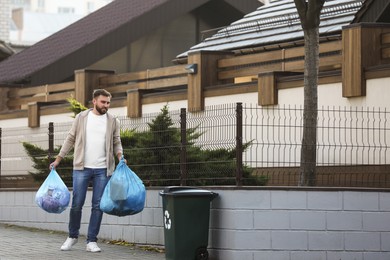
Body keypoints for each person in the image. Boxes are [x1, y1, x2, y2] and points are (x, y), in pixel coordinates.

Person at [50, 89, 124, 253]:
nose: (106, 105)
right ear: (94, 101)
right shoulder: (82, 117)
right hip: (81, 168)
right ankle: (72, 236)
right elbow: (70, 138)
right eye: (103, 102)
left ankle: (91, 240)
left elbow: (116, 141)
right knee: (77, 204)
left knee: (98, 206)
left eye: (108, 102)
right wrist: (58, 159)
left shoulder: (112, 120)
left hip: (103, 169)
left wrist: (120, 156)